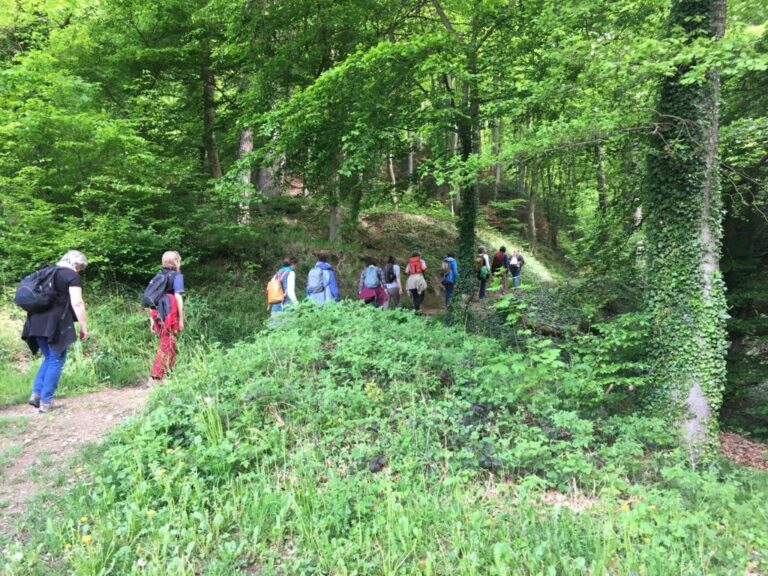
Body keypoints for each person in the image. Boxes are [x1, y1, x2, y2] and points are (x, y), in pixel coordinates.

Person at [22, 250, 89, 413]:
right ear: (76, 264)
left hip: (34, 321)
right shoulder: (71, 276)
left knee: (50, 357)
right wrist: (83, 326)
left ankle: (37, 394)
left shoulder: (46, 272)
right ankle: (46, 402)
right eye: (80, 267)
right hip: (54, 323)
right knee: (57, 359)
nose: (79, 270)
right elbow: (77, 302)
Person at [147, 251, 185, 385]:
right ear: (175, 262)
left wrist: (151, 319)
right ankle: (155, 377)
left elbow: (151, 299)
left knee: (171, 342)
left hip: (157, 312)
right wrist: (181, 319)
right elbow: (178, 297)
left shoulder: (159, 276)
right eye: (179, 260)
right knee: (167, 341)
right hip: (170, 311)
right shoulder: (177, 276)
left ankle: (168, 374)